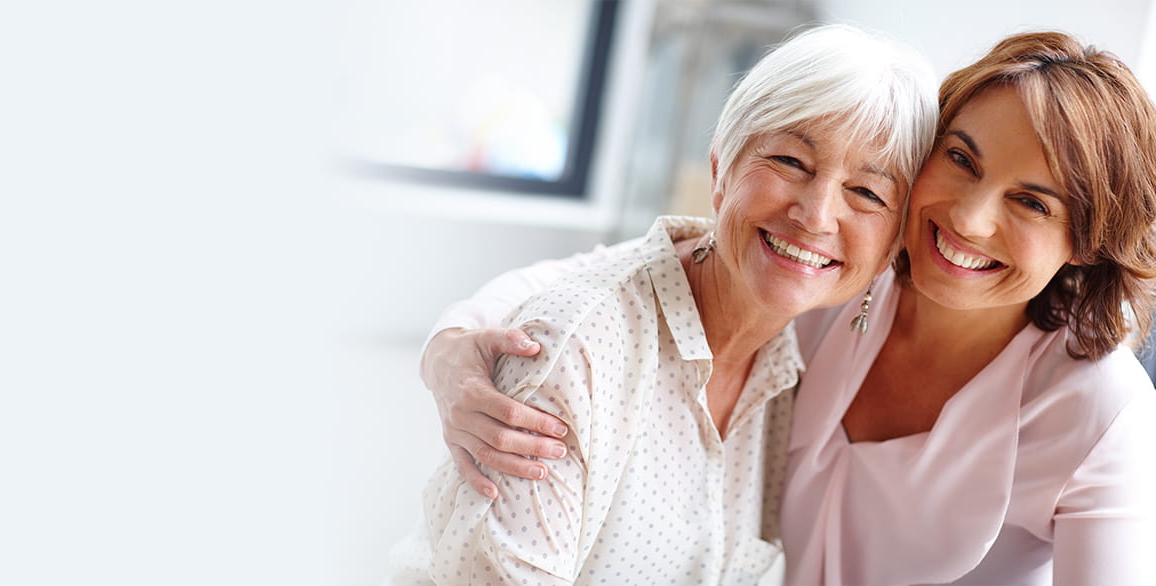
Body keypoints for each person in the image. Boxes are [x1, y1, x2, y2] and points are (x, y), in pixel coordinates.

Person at [419, 31, 1156, 585]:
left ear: (1088, 240)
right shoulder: (838, 281)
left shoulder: (1098, 414)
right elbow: (619, 282)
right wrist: (452, 346)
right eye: (961, 159)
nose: (967, 219)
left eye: (1031, 202)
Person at [388, 24, 938, 585]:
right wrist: (448, 344)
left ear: (893, 244)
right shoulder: (577, 353)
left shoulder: (804, 362)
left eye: (867, 193)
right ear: (721, 167)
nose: (817, 215)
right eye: (791, 162)